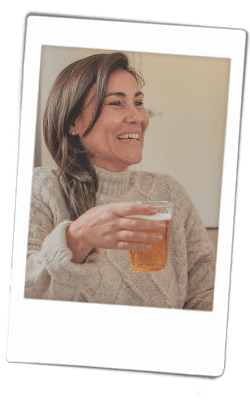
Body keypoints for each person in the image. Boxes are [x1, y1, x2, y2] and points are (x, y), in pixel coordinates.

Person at [24, 51, 215, 310]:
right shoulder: (39, 190)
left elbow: (206, 293)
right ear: (73, 121)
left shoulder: (169, 191)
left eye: (138, 102)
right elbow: (21, 298)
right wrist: (74, 240)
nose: (138, 117)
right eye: (116, 103)